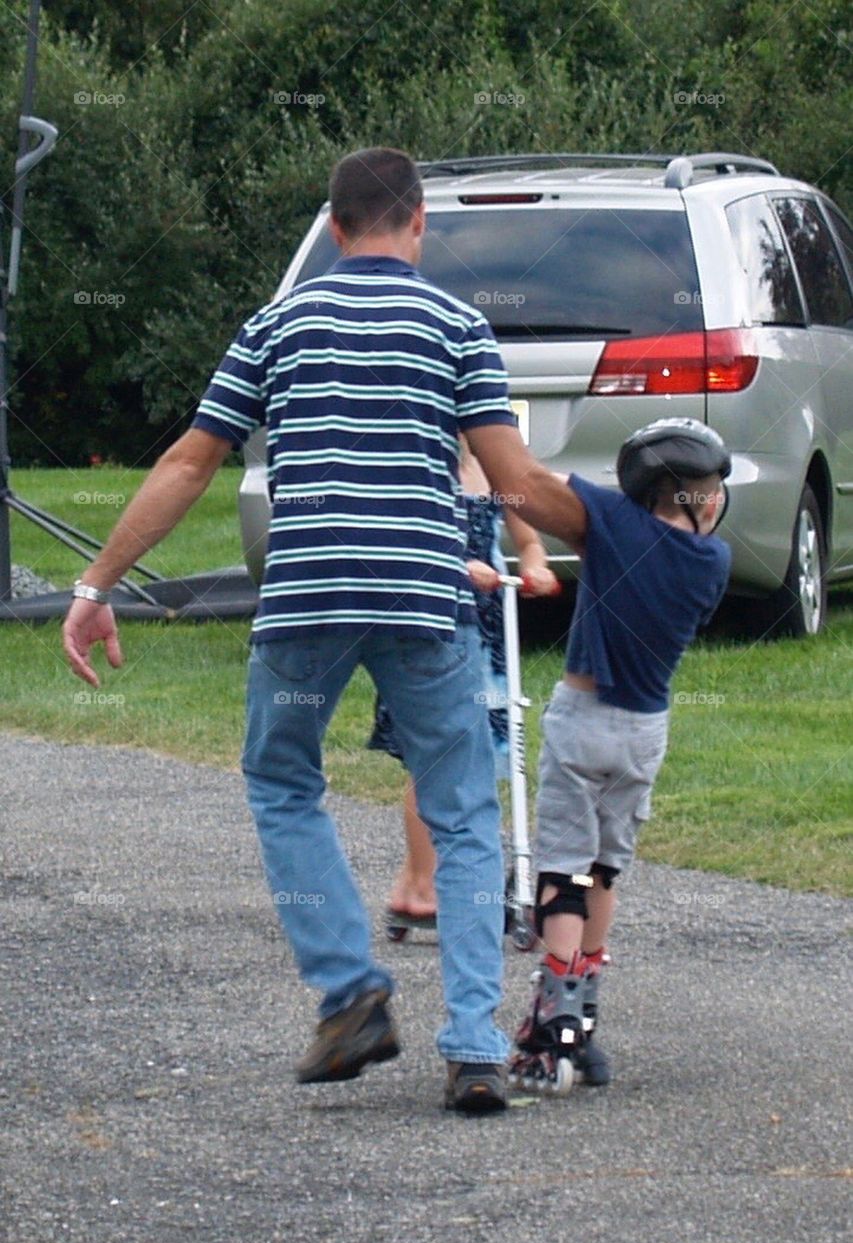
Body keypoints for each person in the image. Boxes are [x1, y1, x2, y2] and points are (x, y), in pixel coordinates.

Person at [61, 146, 586, 1115]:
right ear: (418, 225)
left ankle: (350, 992)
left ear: (334, 229)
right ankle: (471, 1047)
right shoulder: (455, 326)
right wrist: (617, 536)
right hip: (424, 597)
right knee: (465, 811)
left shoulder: (276, 324)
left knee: (282, 779)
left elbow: (188, 462)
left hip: (305, 597)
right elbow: (513, 480)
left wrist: (97, 581)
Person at [506, 418, 733, 1096]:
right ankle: (584, 1027)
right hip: (644, 731)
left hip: (581, 720)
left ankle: (554, 1027)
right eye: (711, 487)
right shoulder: (711, 563)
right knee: (602, 870)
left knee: (563, 873)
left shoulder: (609, 522)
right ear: (698, 499)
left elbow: (534, 487)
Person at [369, 434, 557, 927]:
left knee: (480, 753)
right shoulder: (413, 466)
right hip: (429, 623)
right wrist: (454, 563)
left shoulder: (494, 470)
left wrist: (535, 565)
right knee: (433, 755)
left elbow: (528, 537)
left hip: (488, 626)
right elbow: (394, 538)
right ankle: (423, 882)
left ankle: (421, 881)